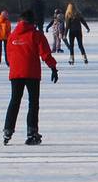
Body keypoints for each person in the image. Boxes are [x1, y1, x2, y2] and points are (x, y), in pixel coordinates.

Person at [4, 9, 59, 145]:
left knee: (14, 101)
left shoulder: (12, 35)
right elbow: (45, 53)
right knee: (33, 103)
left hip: (16, 73)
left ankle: (8, 129)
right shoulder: (36, 35)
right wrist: (53, 68)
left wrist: (14, 66)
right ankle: (32, 131)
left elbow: (9, 55)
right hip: (32, 73)